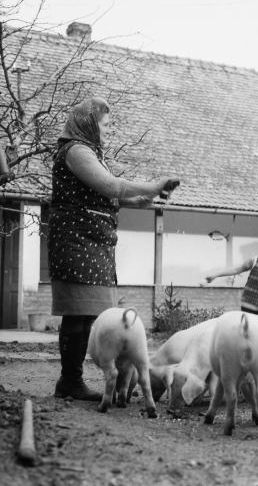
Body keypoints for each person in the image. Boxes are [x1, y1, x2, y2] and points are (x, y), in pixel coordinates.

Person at [48, 96, 179, 401]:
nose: (109, 130)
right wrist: (153, 185)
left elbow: (105, 195)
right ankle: (69, 381)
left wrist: (138, 200)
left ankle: (72, 381)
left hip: (92, 241)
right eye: (105, 124)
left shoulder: (90, 152)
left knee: (86, 315)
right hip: (75, 240)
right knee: (75, 314)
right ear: (89, 124)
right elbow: (109, 186)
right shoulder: (76, 151)